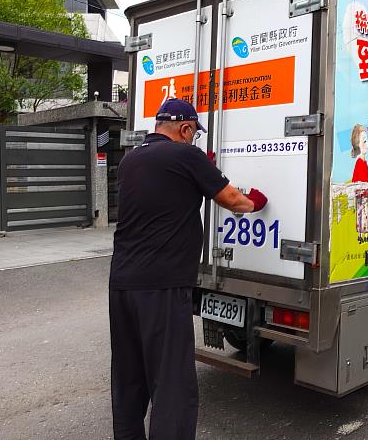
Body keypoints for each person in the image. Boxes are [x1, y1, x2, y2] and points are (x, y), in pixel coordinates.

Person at [108, 98, 267, 440]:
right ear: (184, 128)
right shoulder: (187, 156)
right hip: (162, 287)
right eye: (194, 133)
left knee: (129, 379)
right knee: (172, 384)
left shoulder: (131, 160)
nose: (194, 139)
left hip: (121, 284)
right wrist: (255, 201)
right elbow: (232, 200)